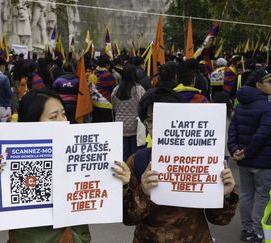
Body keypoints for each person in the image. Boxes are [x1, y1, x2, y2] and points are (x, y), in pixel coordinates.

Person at [0, 89, 131, 242]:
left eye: (64, 114)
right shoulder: (10, 159)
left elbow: (100, 202)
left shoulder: (77, 155)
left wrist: (119, 183)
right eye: (54, 117)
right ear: (32, 122)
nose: (63, 121)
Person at [123, 87, 239, 243]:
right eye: (150, 121)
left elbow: (220, 219)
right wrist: (143, 192)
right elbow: (128, 218)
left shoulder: (203, 161)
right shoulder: (138, 161)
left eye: (164, 120)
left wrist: (223, 194)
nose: (156, 127)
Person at [227, 70, 271, 243]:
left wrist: (235, 150)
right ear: (257, 85)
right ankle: (259, 232)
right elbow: (263, 134)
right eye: (268, 81)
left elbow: (232, 130)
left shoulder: (240, 104)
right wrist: (245, 152)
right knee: (262, 196)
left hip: (243, 161)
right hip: (264, 161)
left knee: (246, 195)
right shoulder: (267, 107)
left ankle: (247, 230)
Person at [111, 64, 145, 161]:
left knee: (122, 156)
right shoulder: (139, 89)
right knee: (135, 157)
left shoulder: (116, 90)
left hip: (120, 126)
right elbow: (143, 106)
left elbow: (113, 106)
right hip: (136, 127)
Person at [89, 57, 116, 122]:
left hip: (94, 106)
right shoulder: (110, 76)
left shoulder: (92, 75)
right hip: (107, 106)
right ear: (107, 65)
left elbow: (90, 90)